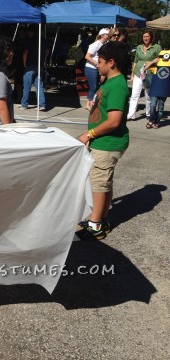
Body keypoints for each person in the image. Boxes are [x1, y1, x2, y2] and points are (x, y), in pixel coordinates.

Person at [76, 41, 130, 241]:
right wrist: (95, 106)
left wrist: (89, 135)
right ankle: (101, 218)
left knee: (98, 183)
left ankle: (95, 224)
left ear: (112, 62)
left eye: (100, 61)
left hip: (107, 143)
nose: (97, 64)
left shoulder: (117, 85)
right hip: (104, 142)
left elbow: (114, 121)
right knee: (104, 182)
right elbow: (108, 111)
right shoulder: (109, 82)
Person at [127, 30, 161, 121]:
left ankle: (149, 113)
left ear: (151, 37)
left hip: (150, 74)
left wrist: (151, 63)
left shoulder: (156, 47)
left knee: (148, 95)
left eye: (147, 36)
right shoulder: (139, 47)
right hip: (139, 73)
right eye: (144, 37)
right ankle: (131, 115)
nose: (145, 38)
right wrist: (132, 75)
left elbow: (159, 59)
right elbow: (135, 61)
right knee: (134, 94)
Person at [20, 25, 48, 111]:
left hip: (30, 65)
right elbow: (47, 51)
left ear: (31, 32)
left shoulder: (30, 40)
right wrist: (44, 59)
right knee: (39, 85)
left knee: (27, 86)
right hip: (40, 65)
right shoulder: (43, 40)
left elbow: (25, 52)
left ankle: (24, 104)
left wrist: (24, 63)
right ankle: (41, 104)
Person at [83, 28, 110, 111]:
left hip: (97, 69)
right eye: (107, 34)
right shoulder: (96, 44)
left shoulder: (104, 44)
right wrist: (97, 64)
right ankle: (89, 104)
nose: (108, 36)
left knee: (96, 86)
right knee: (93, 86)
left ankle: (91, 103)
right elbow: (87, 56)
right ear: (102, 35)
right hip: (91, 68)